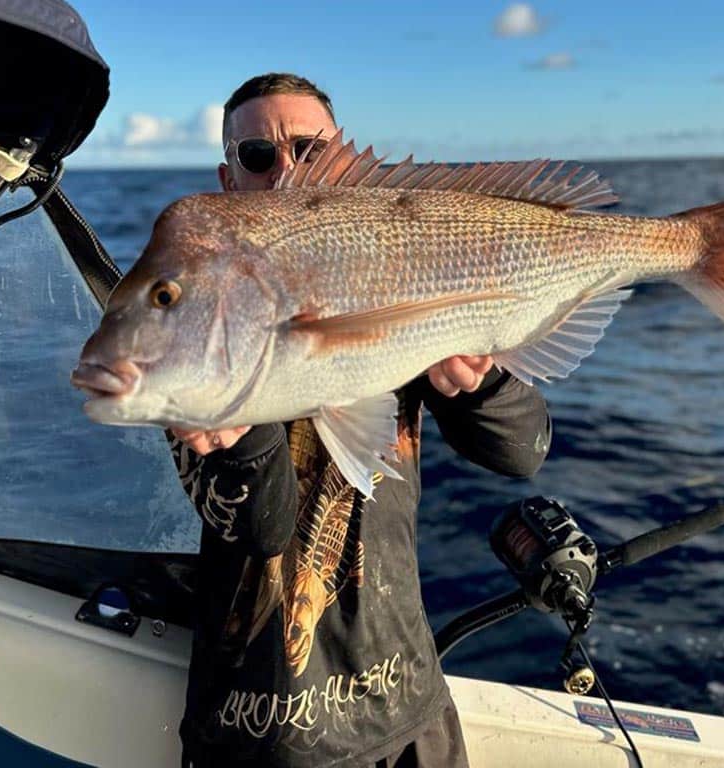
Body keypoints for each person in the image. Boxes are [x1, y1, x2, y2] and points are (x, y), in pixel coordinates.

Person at [168, 72, 551, 768]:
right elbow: (261, 526)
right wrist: (239, 413)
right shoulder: (194, 314)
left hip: (407, 712)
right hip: (253, 730)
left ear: (342, 157)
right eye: (258, 157)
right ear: (228, 179)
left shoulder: (395, 264)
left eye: (310, 151)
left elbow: (522, 452)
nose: (285, 169)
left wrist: (480, 383)